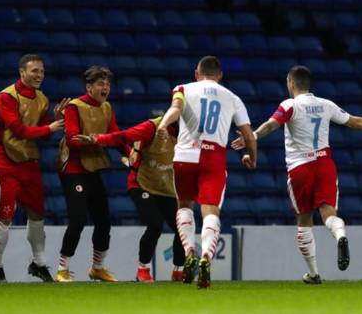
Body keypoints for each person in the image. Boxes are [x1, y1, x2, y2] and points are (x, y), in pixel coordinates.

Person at [232, 65, 362, 284]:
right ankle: (340, 235)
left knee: (304, 221)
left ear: (292, 83)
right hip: (324, 164)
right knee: (328, 214)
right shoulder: (326, 105)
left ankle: (314, 274)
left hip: (300, 167)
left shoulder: (290, 105)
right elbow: (355, 121)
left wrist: (253, 136)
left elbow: (271, 125)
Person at [157, 56, 257, 289]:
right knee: (210, 210)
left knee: (184, 206)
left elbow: (176, 108)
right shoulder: (232, 98)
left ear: (196, 73)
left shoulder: (182, 88)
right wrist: (252, 157)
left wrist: (163, 124)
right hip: (213, 157)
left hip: (184, 157)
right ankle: (205, 258)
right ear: (220, 75)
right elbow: (248, 135)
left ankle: (190, 250)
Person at [0, 53, 68, 282]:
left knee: (38, 214)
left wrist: (54, 120)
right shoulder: (5, 97)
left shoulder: (42, 99)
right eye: (34, 71)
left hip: (28, 162)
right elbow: (18, 130)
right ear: (22, 72)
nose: (40, 75)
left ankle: (38, 263)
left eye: (42, 71)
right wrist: (50, 127)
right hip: (4, 161)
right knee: (4, 218)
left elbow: (40, 135)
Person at [72, 114, 185, 283]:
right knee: (155, 224)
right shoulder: (152, 127)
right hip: (142, 184)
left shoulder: (193, 133)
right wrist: (96, 139)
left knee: (183, 228)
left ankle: (178, 272)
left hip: (167, 188)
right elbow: (124, 136)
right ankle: (143, 270)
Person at [56, 66, 128, 282]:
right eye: (100, 84)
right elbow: (71, 139)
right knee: (78, 220)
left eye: (107, 84)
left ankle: (97, 268)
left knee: (104, 221)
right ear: (89, 87)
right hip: (73, 169)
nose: (105, 87)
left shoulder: (107, 107)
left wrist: (132, 154)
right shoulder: (74, 107)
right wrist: (92, 139)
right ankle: (62, 269)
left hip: (93, 167)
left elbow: (115, 136)